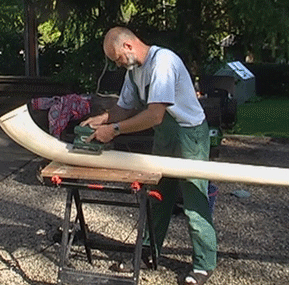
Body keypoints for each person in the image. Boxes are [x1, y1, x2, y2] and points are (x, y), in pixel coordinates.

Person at [81, 26, 217, 285]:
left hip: (189, 135)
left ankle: (203, 265)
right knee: (157, 197)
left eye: (117, 59)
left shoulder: (163, 63)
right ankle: (147, 252)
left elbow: (155, 114)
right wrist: (103, 119)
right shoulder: (134, 72)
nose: (119, 65)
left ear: (128, 46)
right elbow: (124, 107)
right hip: (165, 135)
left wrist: (115, 130)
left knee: (193, 203)